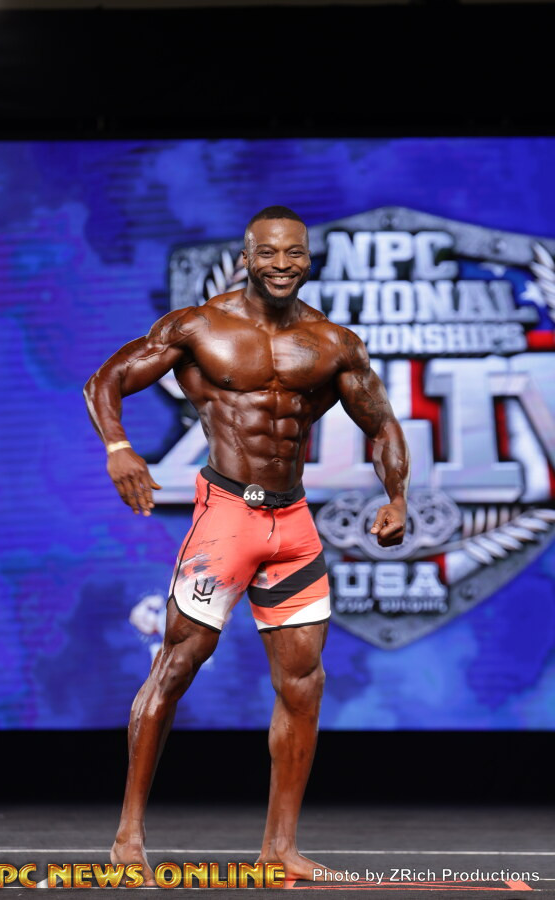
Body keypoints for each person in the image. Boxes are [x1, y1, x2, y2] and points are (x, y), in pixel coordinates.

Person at [83, 206, 410, 883]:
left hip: (292, 525)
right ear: (247, 256)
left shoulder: (333, 343)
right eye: (269, 252)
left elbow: (380, 423)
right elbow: (106, 379)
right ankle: (128, 836)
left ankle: (279, 849)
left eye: (294, 253)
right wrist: (118, 447)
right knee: (177, 666)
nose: (282, 264)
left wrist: (398, 496)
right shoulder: (200, 327)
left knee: (304, 683)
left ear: (309, 258)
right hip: (227, 518)